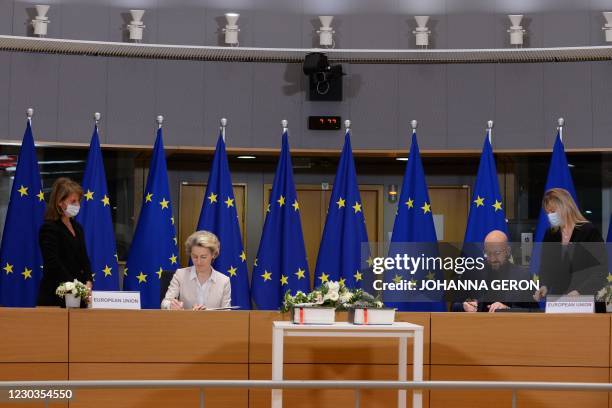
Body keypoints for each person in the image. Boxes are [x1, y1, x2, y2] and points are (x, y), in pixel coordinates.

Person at [534, 188, 607, 301]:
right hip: (557, 300)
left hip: (584, 300)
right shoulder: (550, 234)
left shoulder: (589, 232)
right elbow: (546, 268)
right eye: (547, 213)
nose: (550, 216)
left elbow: (600, 270)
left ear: (566, 207)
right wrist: (544, 285)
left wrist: (580, 292)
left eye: (553, 211)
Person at [38, 178, 92, 307]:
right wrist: (74, 286)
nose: (77, 204)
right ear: (60, 202)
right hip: (56, 295)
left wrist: (88, 281)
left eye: (78, 201)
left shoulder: (78, 227)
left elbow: (84, 258)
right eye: (73, 201)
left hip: (79, 296)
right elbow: (53, 263)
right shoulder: (49, 228)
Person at [453, 230, 536, 313]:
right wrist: (464, 306)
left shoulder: (524, 276)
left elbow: (533, 312)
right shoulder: (473, 273)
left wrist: (508, 310)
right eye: (488, 253)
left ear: (508, 251)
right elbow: (454, 306)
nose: (492, 259)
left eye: (497, 253)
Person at [161, 230, 231, 310]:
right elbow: (165, 302)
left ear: (213, 255)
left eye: (203, 257)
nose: (198, 261)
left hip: (212, 322)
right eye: (194, 256)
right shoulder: (180, 275)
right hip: (186, 322)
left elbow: (226, 312)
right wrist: (171, 305)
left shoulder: (224, 281)